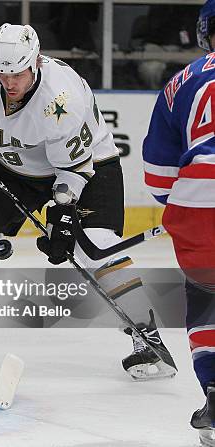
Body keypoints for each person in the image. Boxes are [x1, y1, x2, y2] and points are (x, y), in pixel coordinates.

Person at [0, 23, 177, 381]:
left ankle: (145, 334)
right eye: (3, 73)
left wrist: (64, 215)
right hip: (17, 163)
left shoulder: (62, 100)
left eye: (18, 74)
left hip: (89, 164)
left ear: (37, 62)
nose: (9, 83)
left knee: (96, 248)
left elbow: (73, 170)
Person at [143, 1, 215, 442]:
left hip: (195, 200)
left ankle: (214, 388)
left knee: (207, 296)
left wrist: (185, 206)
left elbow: (159, 176)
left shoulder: (179, 82)